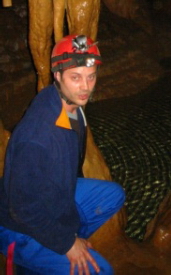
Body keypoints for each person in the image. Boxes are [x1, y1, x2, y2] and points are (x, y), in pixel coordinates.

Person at [0, 34, 126, 274]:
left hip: (52, 199)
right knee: (102, 271)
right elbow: (21, 208)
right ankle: (34, 259)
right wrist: (66, 244)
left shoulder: (69, 107)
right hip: (17, 225)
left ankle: (59, 246)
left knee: (113, 195)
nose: (85, 87)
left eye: (91, 77)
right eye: (75, 78)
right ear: (57, 76)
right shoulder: (36, 137)